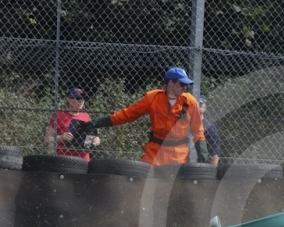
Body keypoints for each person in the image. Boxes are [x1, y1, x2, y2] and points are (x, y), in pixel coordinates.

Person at [81, 67, 209, 166]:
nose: (185, 87)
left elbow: (198, 130)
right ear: (170, 83)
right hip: (154, 152)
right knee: (145, 185)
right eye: (181, 84)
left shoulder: (190, 101)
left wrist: (203, 157)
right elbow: (127, 114)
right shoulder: (152, 98)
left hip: (178, 154)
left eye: (186, 85)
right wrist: (97, 123)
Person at [44, 87, 101, 160]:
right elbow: (46, 141)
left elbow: (88, 139)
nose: (81, 101)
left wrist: (95, 140)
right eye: (77, 98)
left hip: (83, 159)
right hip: (64, 159)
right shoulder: (58, 115)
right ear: (69, 99)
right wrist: (61, 137)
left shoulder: (86, 116)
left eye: (83, 98)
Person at [198, 95, 221, 166]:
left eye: (200, 104)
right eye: (194, 104)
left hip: (200, 168)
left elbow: (214, 155)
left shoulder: (209, 128)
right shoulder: (181, 124)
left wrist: (210, 175)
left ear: (204, 107)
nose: (197, 107)